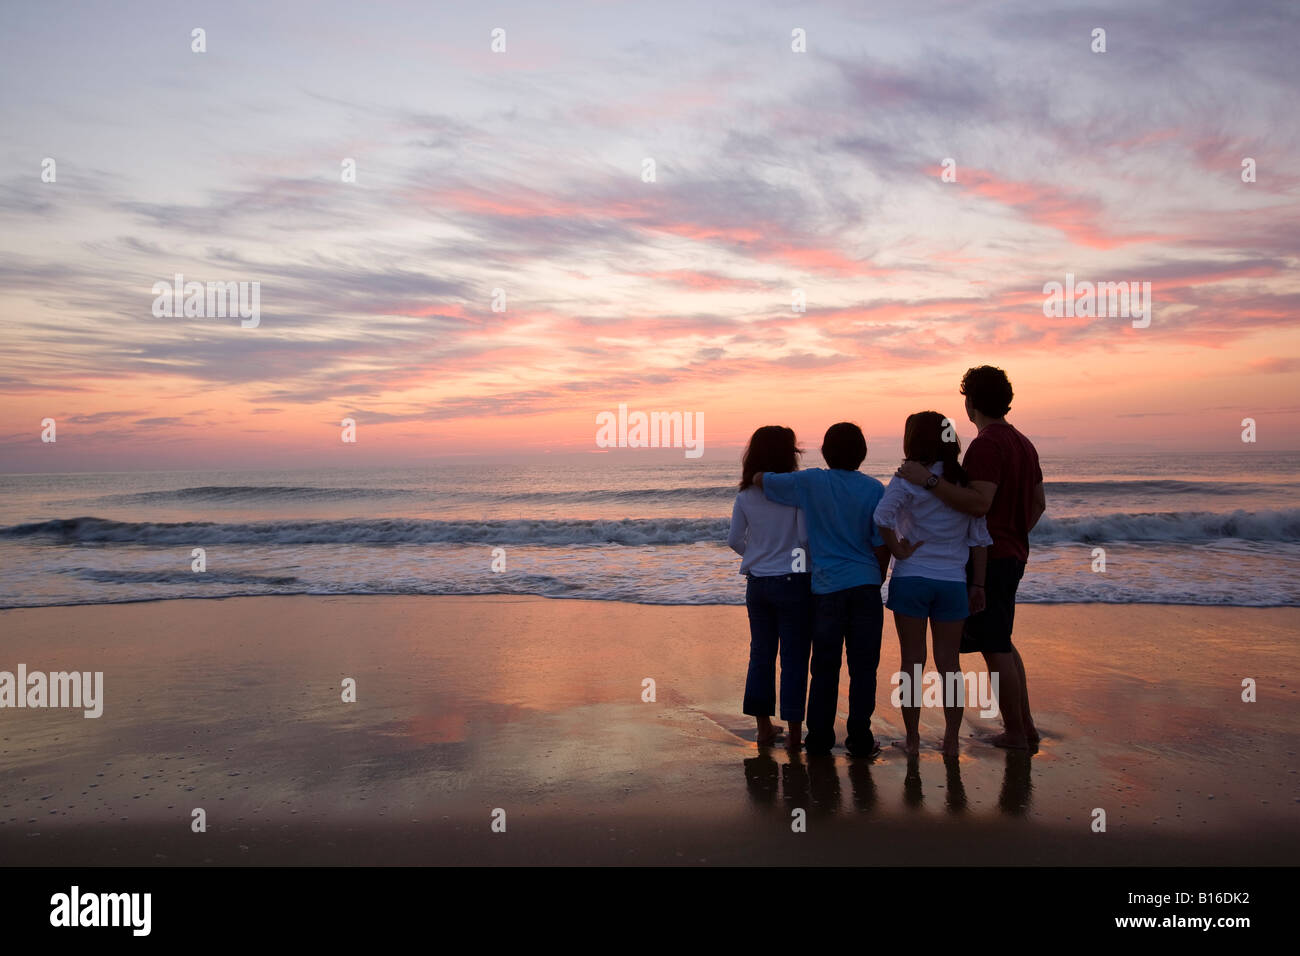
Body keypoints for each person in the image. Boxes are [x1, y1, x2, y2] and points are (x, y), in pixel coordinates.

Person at [896, 367, 1045, 750]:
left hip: (991, 557)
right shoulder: (1023, 443)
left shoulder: (987, 444)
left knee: (994, 646)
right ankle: (1024, 725)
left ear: (970, 401)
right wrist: (1015, 534)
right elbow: (1038, 503)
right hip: (1012, 552)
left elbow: (979, 502)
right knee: (1002, 640)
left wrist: (928, 482)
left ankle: (1015, 731)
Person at [755, 423, 890, 757]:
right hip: (865, 585)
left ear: (826, 452)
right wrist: (879, 575)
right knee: (863, 668)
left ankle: (819, 738)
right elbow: (881, 541)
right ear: (863, 453)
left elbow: (764, 480)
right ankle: (859, 738)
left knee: (825, 667)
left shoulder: (812, 481)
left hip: (827, 588)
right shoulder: (875, 489)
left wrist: (758, 472)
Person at [874, 411, 992, 756]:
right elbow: (979, 539)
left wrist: (898, 548)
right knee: (949, 665)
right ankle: (951, 740)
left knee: (912, 662)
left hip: (911, 578)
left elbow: (881, 518)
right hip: (952, 582)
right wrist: (979, 586)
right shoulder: (963, 481)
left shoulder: (907, 478)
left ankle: (911, 741)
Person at [728, 426, 811, 750]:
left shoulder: (746, 494)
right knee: (793, 657)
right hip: (792, 581)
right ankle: (792, 734)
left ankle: (764, 727)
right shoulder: (795, 494)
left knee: (761, 654)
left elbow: (734, 539)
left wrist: (759, 556)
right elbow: (804, 539)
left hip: (758, 584)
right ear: (788, 455)